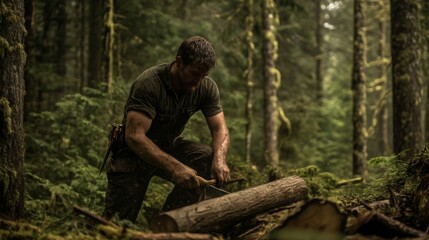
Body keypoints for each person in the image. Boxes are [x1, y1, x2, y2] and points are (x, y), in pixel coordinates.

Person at [103, 36, 230, 222]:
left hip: (168, 145)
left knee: (205, 157)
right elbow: (134, 136)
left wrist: (220, 160)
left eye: (203, 76)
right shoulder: (149, 84)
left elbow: (220, 128)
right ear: (179, 62)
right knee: (116, 222)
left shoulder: (206, 87)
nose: (197, 83)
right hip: (132, 153)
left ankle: (171, 222)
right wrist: (175, 167)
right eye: (194, 74)